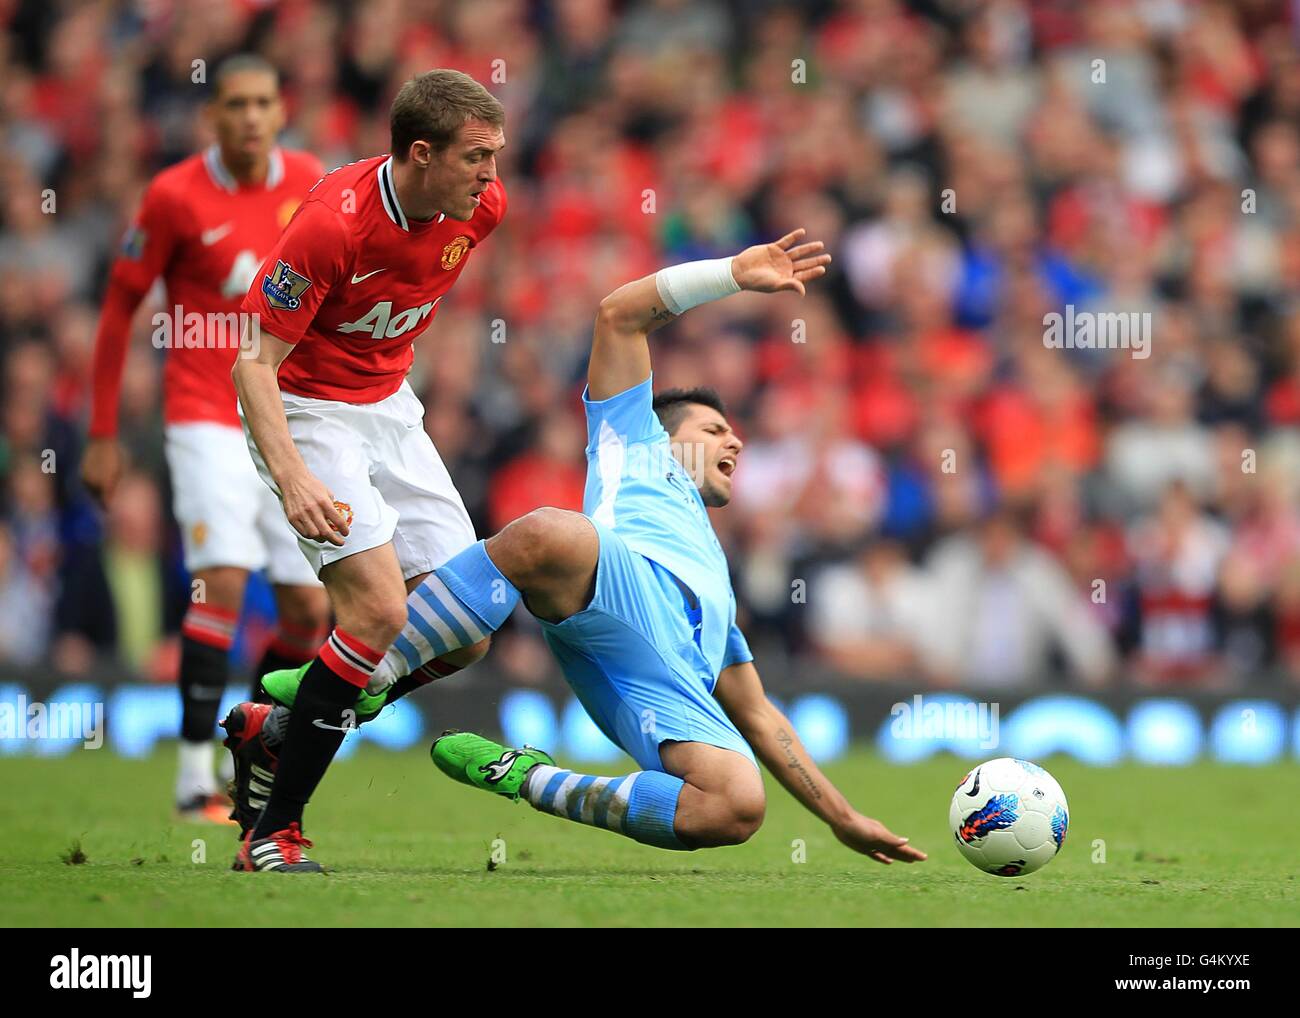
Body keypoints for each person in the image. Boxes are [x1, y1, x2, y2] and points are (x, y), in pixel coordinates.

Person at [254, 231, 927, 864]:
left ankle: (530, 777)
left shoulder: (718, 581)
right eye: (715, 429)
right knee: (552, 530)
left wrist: (841, 817)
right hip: (616, 581)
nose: (735, 442)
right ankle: (377, 671)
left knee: (734, 806)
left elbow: (755, 711)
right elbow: (619, 315)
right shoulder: (634, 442)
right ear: (669, 438)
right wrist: (731, 275)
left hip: (660, 684)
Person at [225, 69, 507, 872]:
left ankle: (279, 729)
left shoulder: (478, 210)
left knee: (470, 623)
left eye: (495, 157)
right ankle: (271, 835)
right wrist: (293, 476)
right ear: (421, 153)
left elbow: (410, 295)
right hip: (306, 408)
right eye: (477, 157)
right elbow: (253, 364)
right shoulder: (329, 226)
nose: (492, 176)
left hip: (389, 404)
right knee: (380, 612)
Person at [81, 55, 330, 824]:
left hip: (285, 417)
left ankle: (251, 745)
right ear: (212, 117)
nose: (251, 116)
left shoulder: (312, 182)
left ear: (280, 110)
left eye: (263, 101)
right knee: (219, 580)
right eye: (235, 104)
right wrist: (100, 434)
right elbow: (121, 308)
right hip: (203, 412)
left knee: (305, 611)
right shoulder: (174, 196)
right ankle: (193, 782)